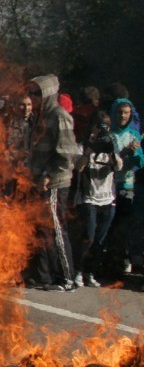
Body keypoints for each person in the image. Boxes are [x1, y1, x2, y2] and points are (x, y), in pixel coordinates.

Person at [24, 74, 80, 291]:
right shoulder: (41, 117)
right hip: (39, 182)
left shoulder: (59, 116)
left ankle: (67, 278)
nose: (32, 97)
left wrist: (48, 175)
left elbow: (66, 154)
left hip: (54, 184)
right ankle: (47, 276)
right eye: (30, 93)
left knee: (56, 230)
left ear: (46, 94)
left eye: (35, 93)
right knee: (43, 231)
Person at [71, 111, 120, 288]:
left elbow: (118, 166)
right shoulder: (82, 146)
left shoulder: (111, 145)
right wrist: (89, 150)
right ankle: (77, 271)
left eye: (105, 127)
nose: (101, 130)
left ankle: (89, 272)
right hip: (88, 198)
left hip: (108, 198)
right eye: (98, 126)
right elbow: (78, 167)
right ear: (92, 127)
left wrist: (112, 151)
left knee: (99, 240)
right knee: (88, 238)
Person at [106, 97, 144, 276]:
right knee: (110, 226)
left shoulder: (134, 134)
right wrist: (123, 152)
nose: (123, 116)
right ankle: (109, 262)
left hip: (127, 186)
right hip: (107, 186)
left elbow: (141, 162)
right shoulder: (108, 134)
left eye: (126, 113)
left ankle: (123, 261)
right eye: (120, 112)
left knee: (124, 225)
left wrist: (135, 154)